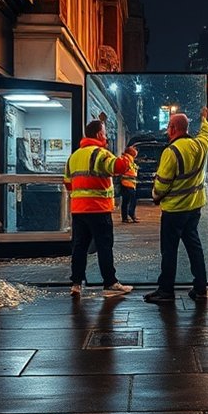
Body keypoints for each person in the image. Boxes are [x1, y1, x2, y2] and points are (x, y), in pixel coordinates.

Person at [143, 105, 208, 303]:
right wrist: (205, 118)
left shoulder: (171, 152)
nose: (167, 131)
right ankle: (200, 288)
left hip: (174, 210)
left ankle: (166, 291)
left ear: (173, 129)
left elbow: (162, 185)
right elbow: (207, 134)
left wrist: (155, 196)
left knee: (169, 251)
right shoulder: (200, 145)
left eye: (168, 127)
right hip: (194, 208)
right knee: (194, 246)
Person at [63, 119, 134, 298]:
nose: (106, 135)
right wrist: (129, 155)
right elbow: (118, 167)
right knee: (104, 246)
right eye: (104, 132)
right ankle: (109, 283)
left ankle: (76, 284)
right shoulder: (100, 154)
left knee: (79, 247)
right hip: (98, 209)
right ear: (98, 134)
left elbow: (68, 183)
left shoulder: (74, 156)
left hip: (79, 211)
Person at [120, 146, 140, 223]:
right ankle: (130, 214)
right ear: (130, 152)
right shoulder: (127, 159)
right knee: (131, 201)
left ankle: (125, 217)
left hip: (129, 183)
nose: (136, 151)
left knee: (126, 201)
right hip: (127, 183)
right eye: (134, 149)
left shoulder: (130, 159)